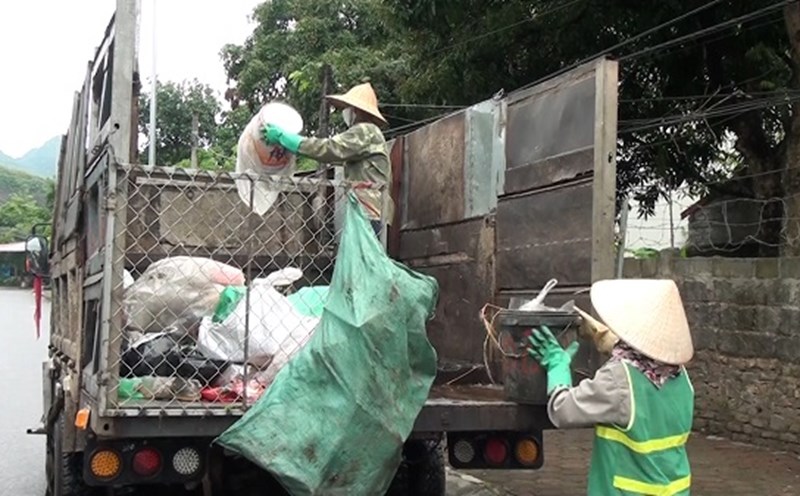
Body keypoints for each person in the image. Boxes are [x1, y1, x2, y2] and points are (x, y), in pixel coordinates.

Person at [527, 279, 695, 496]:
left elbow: (563, 411)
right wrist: (600, 335)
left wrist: (557, 366)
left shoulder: (619, 380)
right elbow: (641, 358)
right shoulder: (681, 377)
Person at [261, 82, 393, 238]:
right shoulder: (368, 136)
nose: (345, 112)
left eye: (347, 108)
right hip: (369, 209)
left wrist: (288, 139)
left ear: (355, 111)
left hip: (369, 210)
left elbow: (329, 149)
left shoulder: (365, 131)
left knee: (363, 259)